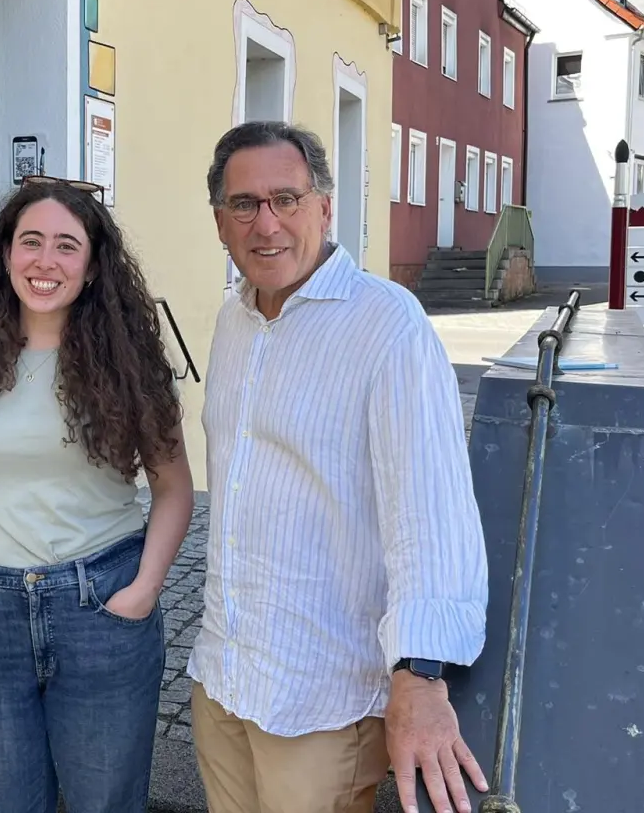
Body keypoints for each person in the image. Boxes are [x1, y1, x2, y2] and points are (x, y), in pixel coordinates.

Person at [188, 121, 491, 813]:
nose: (267, 224)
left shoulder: (388, 326)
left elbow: (430, 511)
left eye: (286, 199)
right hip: (225, 679)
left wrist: (420, 675)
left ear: (325, 208)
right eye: (245, 205)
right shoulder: (233, 321)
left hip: (321, 699)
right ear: (220, 223)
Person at [0, 176, 194, 813]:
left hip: (99, 607)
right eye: (30, 241)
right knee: (14, 801)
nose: (45, 261)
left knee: (106, 802)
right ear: (6, 254)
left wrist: (146, 588)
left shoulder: (129, 362)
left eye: (67, 246)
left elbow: (174, 488)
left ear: (94, 265)